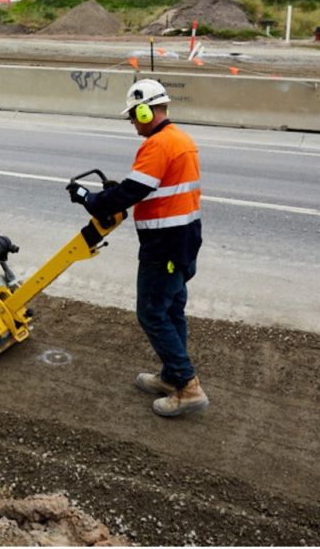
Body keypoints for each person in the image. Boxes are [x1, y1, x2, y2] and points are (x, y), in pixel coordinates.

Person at [67, 79, 208, 417]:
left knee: (151, 312)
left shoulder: (158, 144)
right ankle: (172, 376)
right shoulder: (181, 140)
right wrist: (118, 192)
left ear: (146, 110)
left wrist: (90, 198)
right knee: (172, 310)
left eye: (133, 115)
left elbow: (129, 194)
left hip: (165, 246)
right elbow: (145, 187)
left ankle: (188, 387)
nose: (132, 122)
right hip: (185, 241)